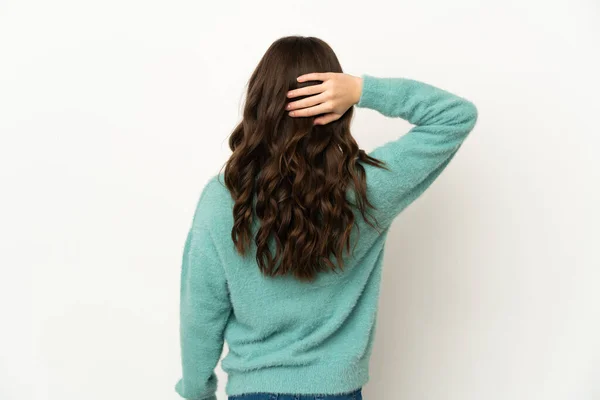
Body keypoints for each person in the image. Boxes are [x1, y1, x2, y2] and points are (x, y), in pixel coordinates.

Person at [174, 35, 478, 400]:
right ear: (336, 106)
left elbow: (201, 316)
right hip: (338, 391)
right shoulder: (366, 189)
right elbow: (454, 115)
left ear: (259, 102)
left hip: (254, 390)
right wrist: (364, 90)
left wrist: (197, 393)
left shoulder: (224, 199)